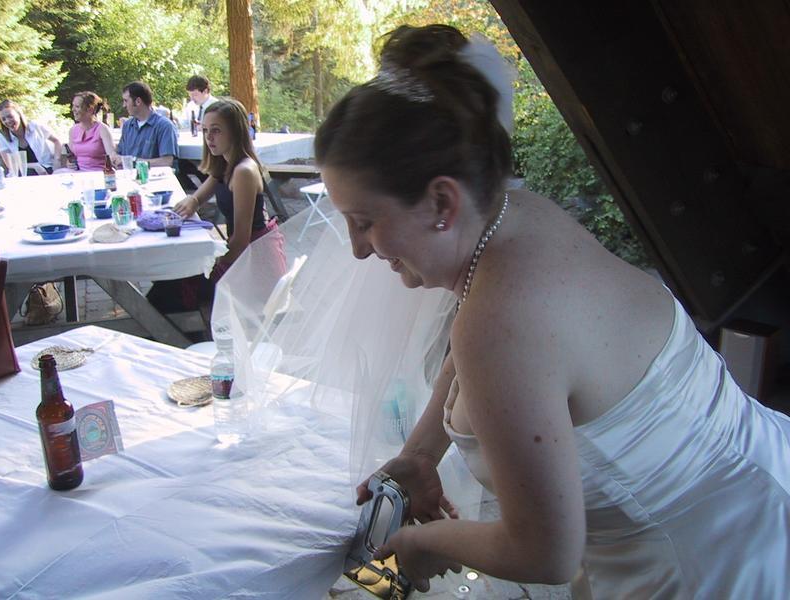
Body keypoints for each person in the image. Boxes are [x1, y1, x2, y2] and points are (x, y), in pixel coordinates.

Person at [315, 24, 790, 598]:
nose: (358, 248)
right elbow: (479, 345)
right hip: (762, 473)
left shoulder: (500, 323)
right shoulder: (517, 218)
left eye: (364, 221)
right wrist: (420, 454)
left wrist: (423, 544)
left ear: (442, 200)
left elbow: (545, 552)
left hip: (711, 560)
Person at [147, 98, 285, 315]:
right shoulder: (226, 163)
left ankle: (187, 331)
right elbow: (199, 196)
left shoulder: (243, 171)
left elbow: (241, 241)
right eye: (205, 130)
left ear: (235, 132)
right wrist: (192, 201)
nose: (209, 137)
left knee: (167, 290)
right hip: (241, 258)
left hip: (254, 267)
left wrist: (208, 263)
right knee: (168, 280)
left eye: (216, 130)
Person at [115, 81, 178, 168]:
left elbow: (167, 161)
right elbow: (119, 154)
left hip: (154, 176)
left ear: (138, 101)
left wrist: (134, 161)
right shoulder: (127, 126)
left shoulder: (164, 126)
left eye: (126, 101)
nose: (124, 105)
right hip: (128, 175)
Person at [0, 100, 63, 174]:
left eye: (10, 116)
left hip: (46, 169)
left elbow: (56, 141)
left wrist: (57, 160)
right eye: (3, 119)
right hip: (22, 174)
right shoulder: (1, 136)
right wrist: (35, 166)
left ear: (18, 114)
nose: (7, 121)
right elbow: (11, 165)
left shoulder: (35, 126)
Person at [178, 75, 219, 191]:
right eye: (190, 95)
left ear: (205, 91)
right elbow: (184, 124)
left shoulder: (217, 106)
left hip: (211, 148)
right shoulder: (191, 106)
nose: (192, 98)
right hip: (195, 144)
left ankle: (209, 186)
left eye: (195, 95)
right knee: (180, 162)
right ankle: (192, 188)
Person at [65, 92, 118, 171]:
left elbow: (111, 156)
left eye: (77, 106)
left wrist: (116, 159)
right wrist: (69, 163)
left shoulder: (102, 129)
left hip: (98, 173)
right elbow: (71, 156)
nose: (73, 109)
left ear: (90, 109)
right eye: (73, 106)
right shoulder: (73, 130)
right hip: (78, 173)